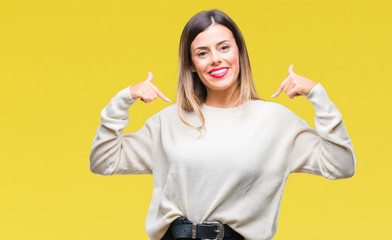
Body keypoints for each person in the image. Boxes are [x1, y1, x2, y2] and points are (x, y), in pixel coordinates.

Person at [89, 9, 356, 240]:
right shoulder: (170, 120)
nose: (215, 58)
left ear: (239, 53)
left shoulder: (275, 121)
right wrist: (123, 100)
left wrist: (317, 95)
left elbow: (341, 164)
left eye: (224, 47)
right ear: (191, 65)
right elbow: (104, 161)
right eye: (202, 53)